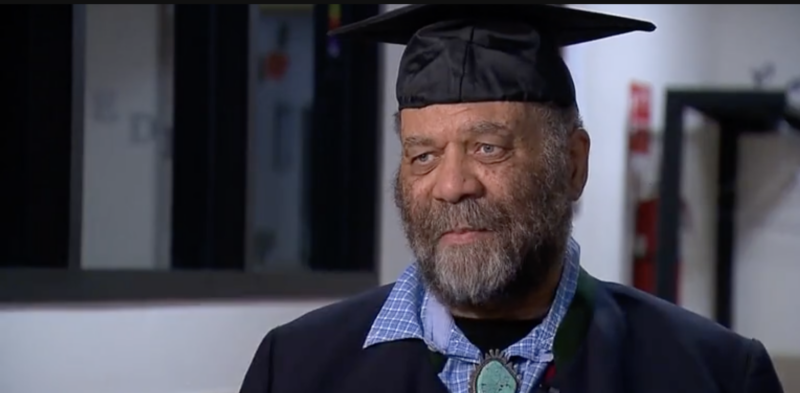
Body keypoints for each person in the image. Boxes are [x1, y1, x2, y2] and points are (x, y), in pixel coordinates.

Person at [239, 5, 784, 393]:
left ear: (572, 164)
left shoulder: (711, 375)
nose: (452, 185)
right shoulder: (294, 370)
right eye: (423, 155)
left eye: (487, 147)